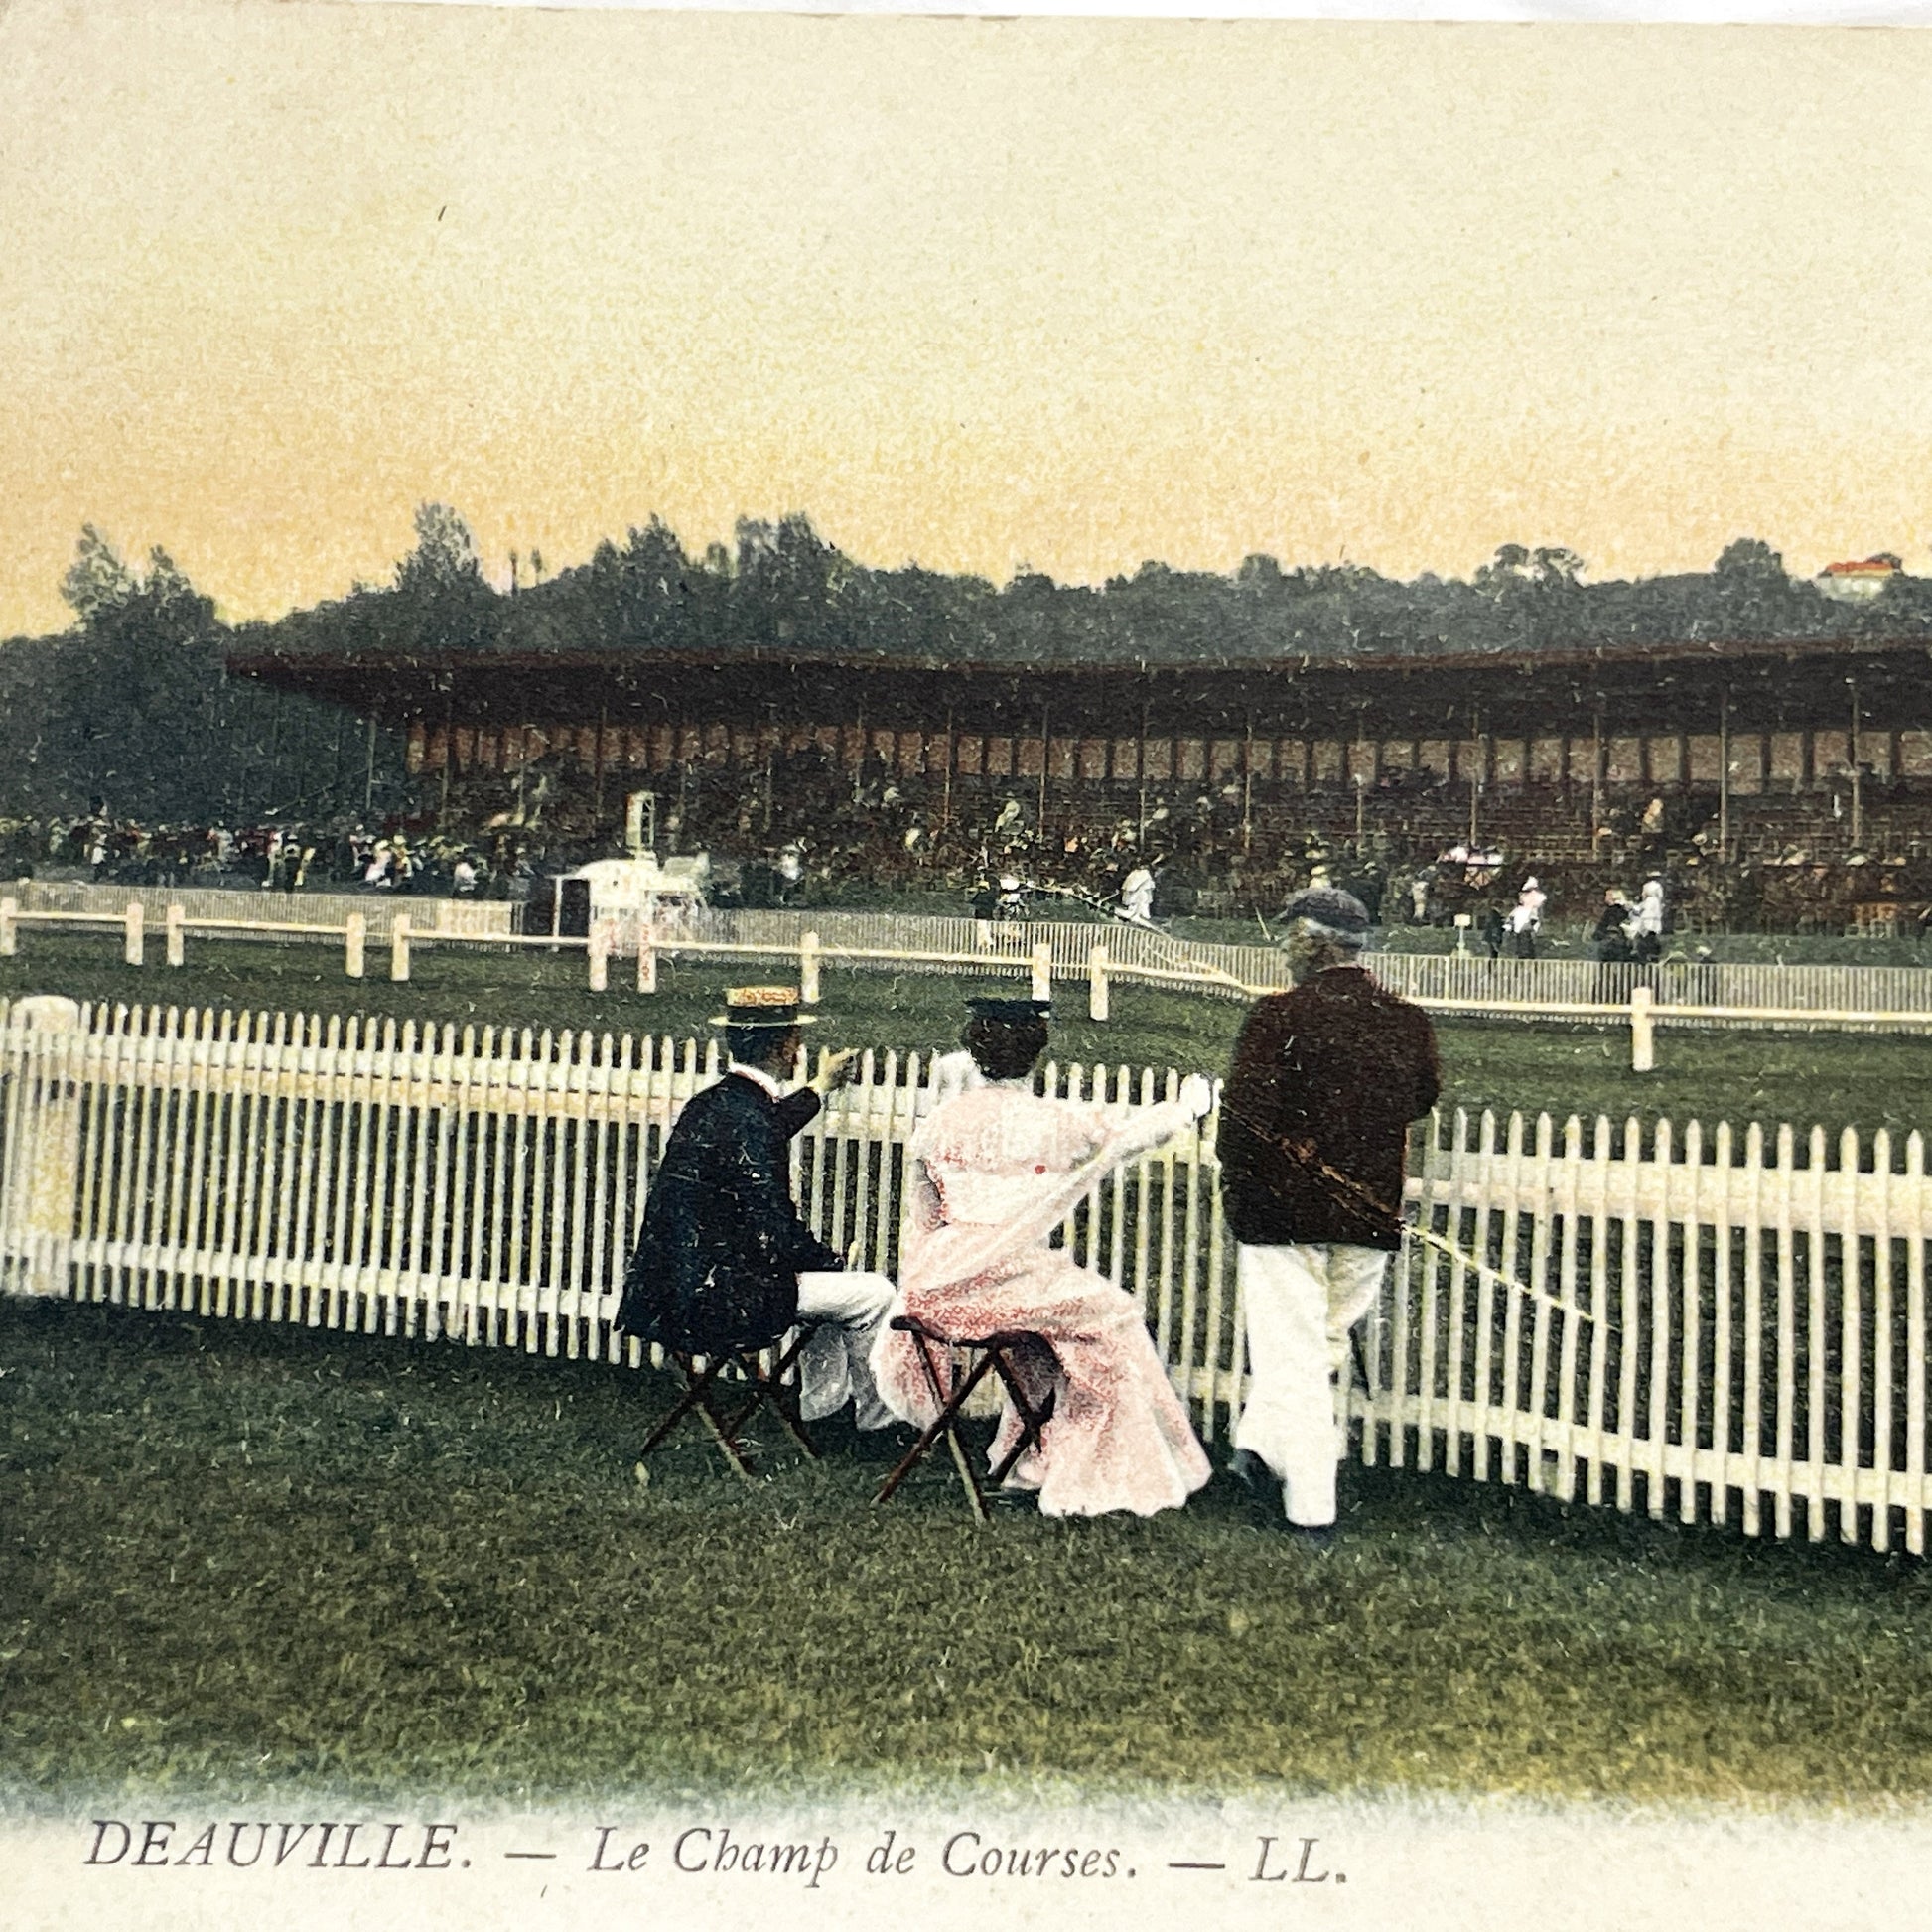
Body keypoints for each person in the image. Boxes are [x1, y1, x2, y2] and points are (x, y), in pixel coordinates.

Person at [872, 995, 1215, 1518]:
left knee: (1048, 1330)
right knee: (1111, 1315)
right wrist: (1189, 1105)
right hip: (997, 1282)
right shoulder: (1052, 1122)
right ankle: (1096, 1469)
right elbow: (1128, 1138)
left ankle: (1031, 1456)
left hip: (938, 1284)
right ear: (1036, 1053)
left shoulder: (939, 1121)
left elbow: (924, 1216)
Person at [1216, 888, 1440, 1539]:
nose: (1285, 949)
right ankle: (1257, 1451)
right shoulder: (1406, 1019)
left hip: (1282, 1214)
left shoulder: (1278, 1017)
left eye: (1291, 937)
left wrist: (1242, 1174)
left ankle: (1311, 1506)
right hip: (1368, 1212)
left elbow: (1243, 1123)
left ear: (1317, 943)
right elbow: (1421, 1097)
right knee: (1319, 1347)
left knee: (1296, 1359)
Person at [615, 986, 897, 1434]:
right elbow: (774, 1225)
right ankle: (878, 1424)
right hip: (719, 1301)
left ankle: (822, 1412)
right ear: (787, 1046)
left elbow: (766, 1127)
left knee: (830, 1292)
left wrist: (820, 1087)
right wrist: (830, 1261)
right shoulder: (751, 1116)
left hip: (664, 1294)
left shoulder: (713, 1103)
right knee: (874, 1294)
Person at [1506, 876, 1546, 958]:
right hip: (1522, 933)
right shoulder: (1519, 910)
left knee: (1527, 948)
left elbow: (1535, 920)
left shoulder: (1533, 909)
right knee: (1522, 948)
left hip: (1527, 932)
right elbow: (1511, 920)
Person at [1120, 861, 1157, 925]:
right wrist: (1127, 888)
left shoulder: (1145, 873)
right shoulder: (1134, 872)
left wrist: (1133, 888)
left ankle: (1140, 916)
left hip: (1142, 891)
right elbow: (1129, 880)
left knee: (1142, 903)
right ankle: (1132, 914)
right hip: (1134, 891)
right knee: (1133, 903)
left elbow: (1144, 883)